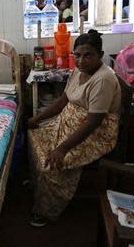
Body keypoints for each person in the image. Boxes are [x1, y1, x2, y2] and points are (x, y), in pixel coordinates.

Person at [27, 29, 122, 227]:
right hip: (68, 124)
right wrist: (38, 118)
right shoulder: (79, 70)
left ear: (100, 56)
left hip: (95, 134)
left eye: (88, 55)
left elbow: (94, 122)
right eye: (77, 55)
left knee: (51, 162)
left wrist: (62, 148)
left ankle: (46, 210)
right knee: (34, 135)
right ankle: (40, 185)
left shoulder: (103, 79)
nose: (81, 60)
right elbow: (63, 99)